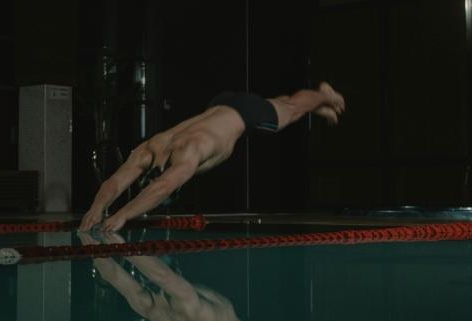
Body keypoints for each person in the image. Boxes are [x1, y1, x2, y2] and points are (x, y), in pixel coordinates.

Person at [80, 82, 346, 232]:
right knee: (282, 104)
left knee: (293, 108)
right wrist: (96, 208)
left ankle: (323, 95)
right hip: (221, 104)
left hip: (246, 115)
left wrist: (123, 215)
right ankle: (317, 106)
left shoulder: (187, 154)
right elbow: (114, 183)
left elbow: (161, 188)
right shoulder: (148, 150)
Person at [79, 231, 349, 321]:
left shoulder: (147, 304)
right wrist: (120, 243)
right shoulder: (185, 301)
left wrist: (87, 238)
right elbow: (161, 275)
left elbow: (112, 275)